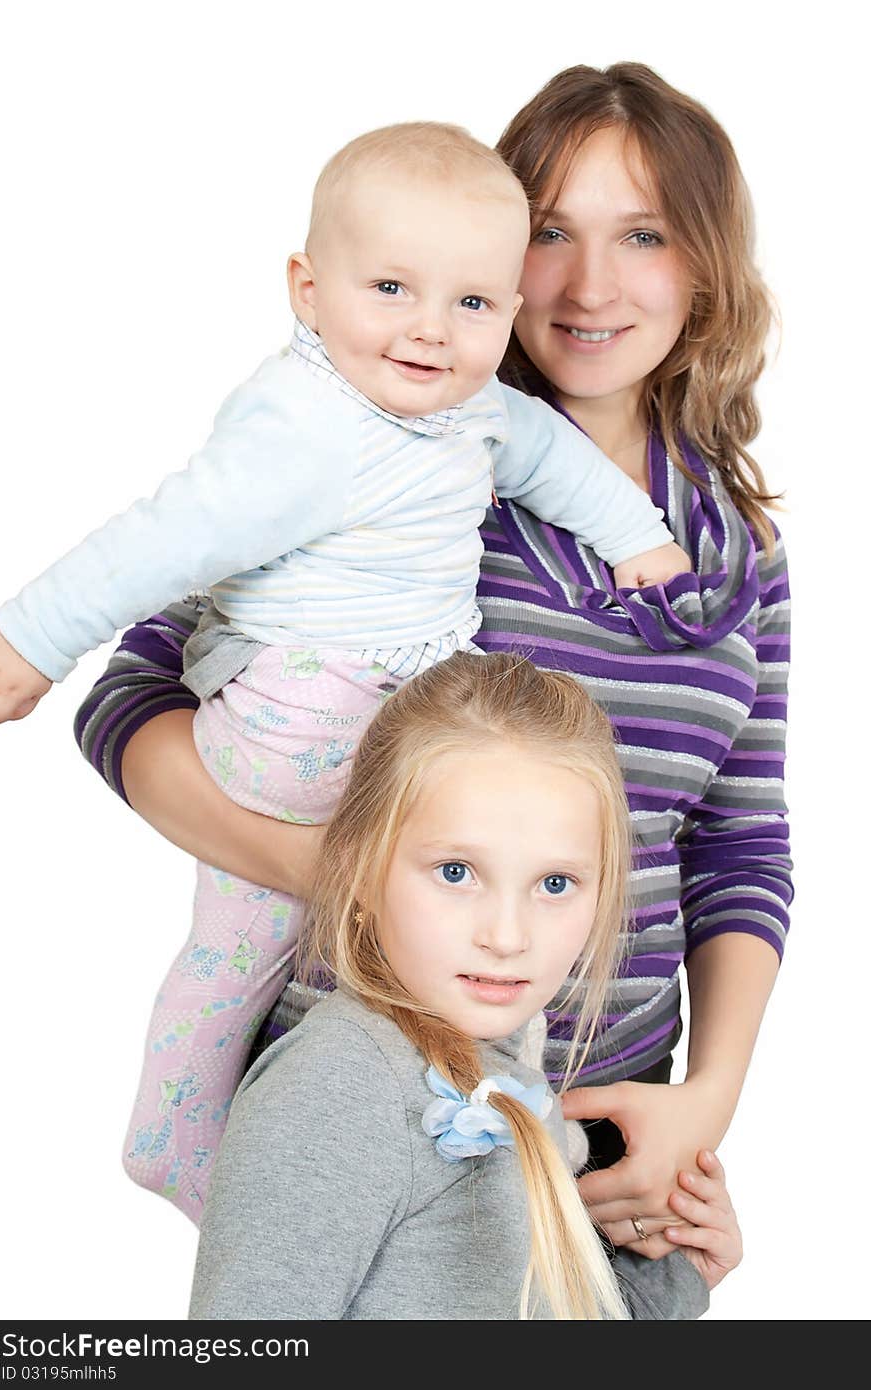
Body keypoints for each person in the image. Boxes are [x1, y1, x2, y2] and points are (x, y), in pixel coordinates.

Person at [65, 62, 791, 1257]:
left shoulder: (735, 550)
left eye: (644, 234)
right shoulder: (392, 463)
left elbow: (740, 840)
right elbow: (135, 691)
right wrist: (333, 874)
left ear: (704, 266)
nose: (589, 282)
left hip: (614, 1123)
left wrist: (702, 1100)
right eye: (551, 230)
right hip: (372, 1097)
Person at [189, 651, 741, 1320]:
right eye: (456, 872)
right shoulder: (338, 1085)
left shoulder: (512, 1079)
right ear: (361, 871)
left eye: (555, 884)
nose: (507, 936)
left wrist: (674, 1271)